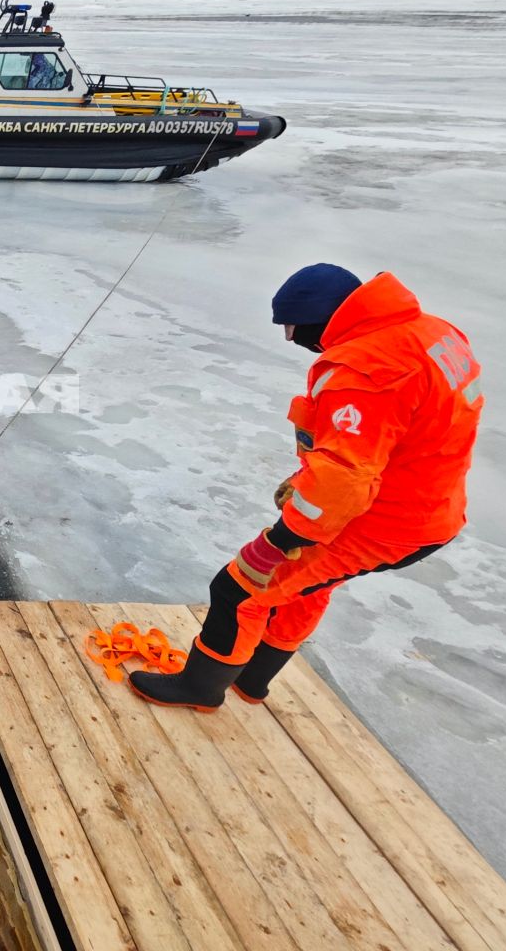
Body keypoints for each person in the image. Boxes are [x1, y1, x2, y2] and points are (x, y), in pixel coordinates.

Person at [131, 265, 483, 711]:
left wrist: (284, 538)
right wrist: (305, 480)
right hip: (429, 508)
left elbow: (345, 476)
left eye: (294, 330)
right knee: (307, 587)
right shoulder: (431, 333)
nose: (290, 341)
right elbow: (393, 437)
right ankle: (252, 679)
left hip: (380, 521)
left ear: (323, 321)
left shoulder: (365, 369)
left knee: (240, 589)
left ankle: (199, 688)